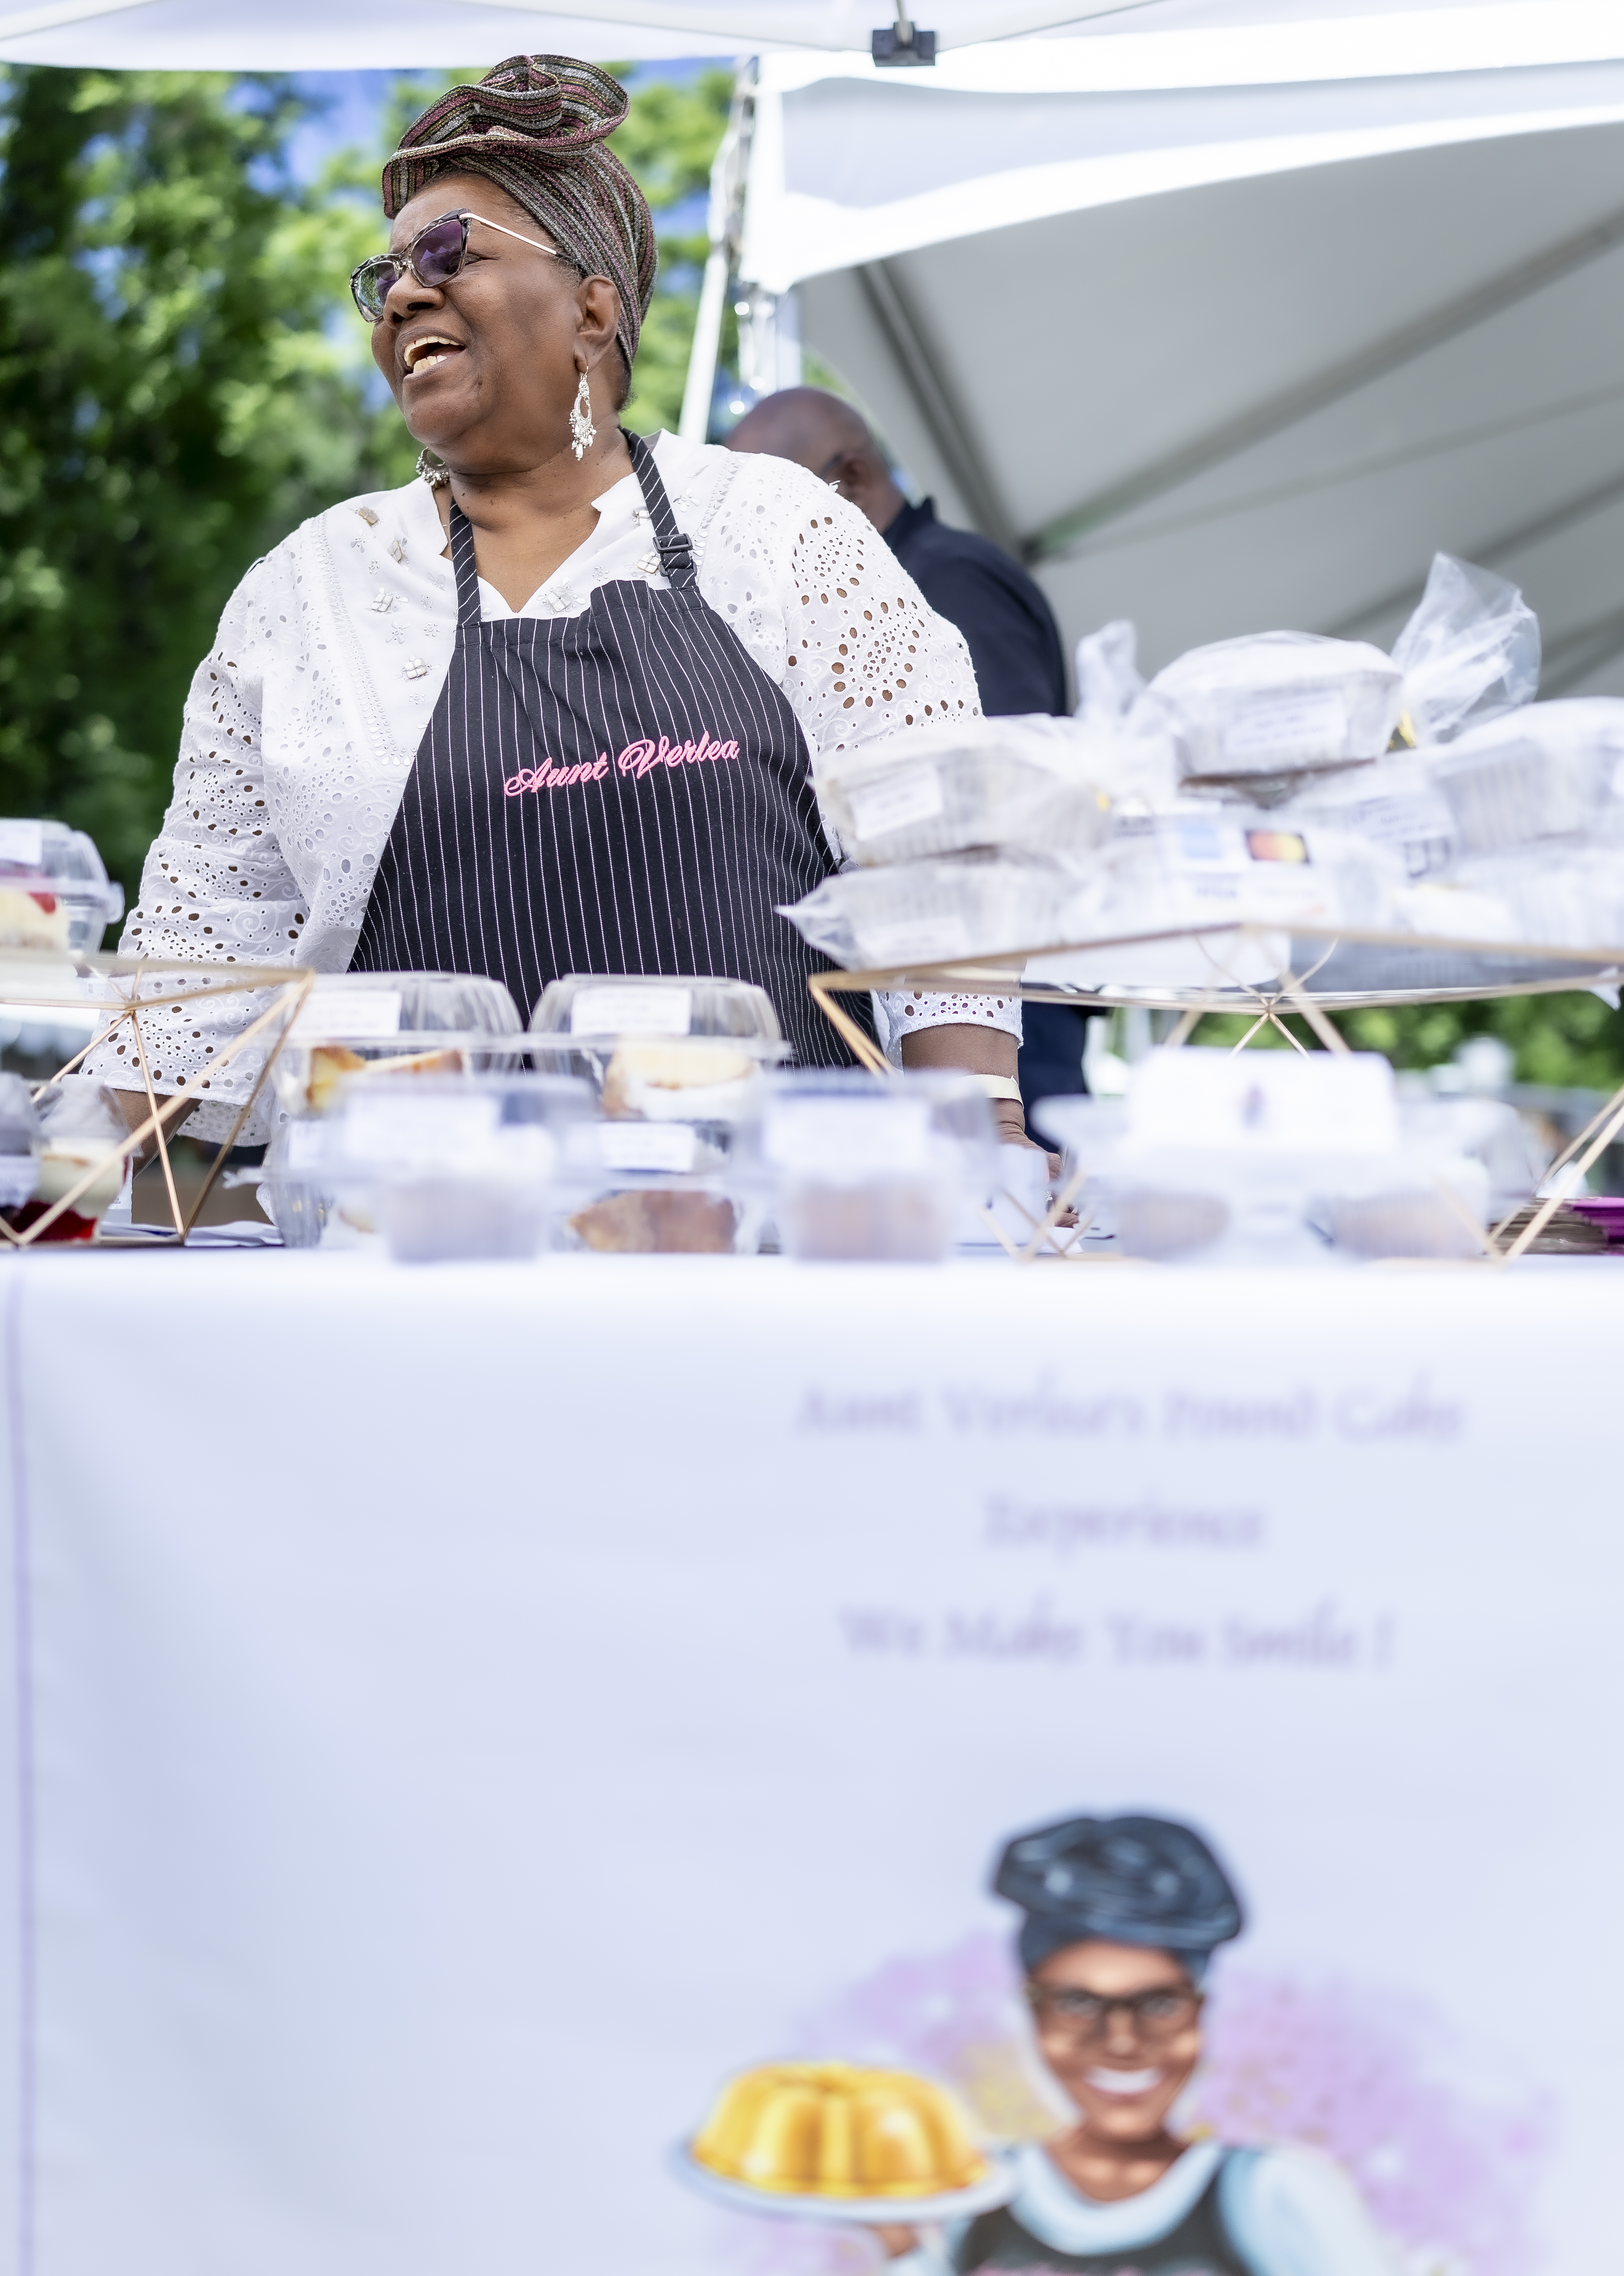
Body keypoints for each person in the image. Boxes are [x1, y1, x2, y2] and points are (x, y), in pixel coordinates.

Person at [90, 58, 1035, 1152]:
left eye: (450, 253)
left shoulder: (778, 530)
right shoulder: (307, 591)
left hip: (767, 1239)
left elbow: (941, 863)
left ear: (594, 310)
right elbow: (198, 967)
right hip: (405, 1233)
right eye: (382, 277)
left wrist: (985, 1135)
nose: (403, 293)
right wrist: (78, 1167)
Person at [726, 388, 1091, 1127]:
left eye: (777, 502)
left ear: (852, 476)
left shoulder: (945, 578)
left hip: (998, 989)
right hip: (941, 973)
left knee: (1010, 1207)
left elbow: (986, 791)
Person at [876, 1813, 1395, 2274]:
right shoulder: (979, 2192)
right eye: (1078, 2005)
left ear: (1200, 2010)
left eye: (1159, 2005)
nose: (1122, 2042)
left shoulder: (1271, 2196)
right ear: (1034, 2014)